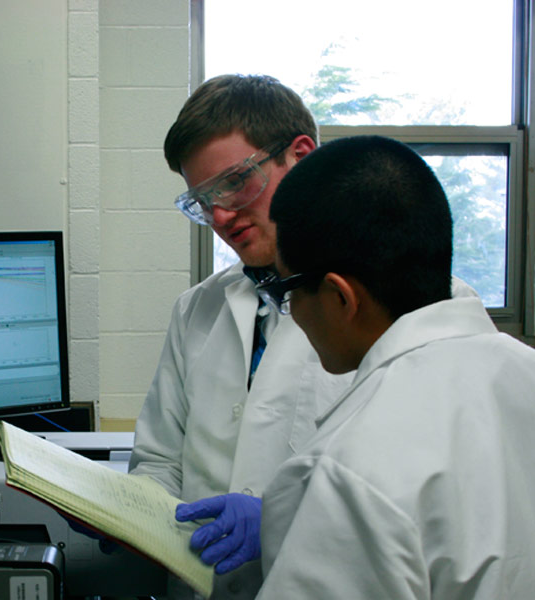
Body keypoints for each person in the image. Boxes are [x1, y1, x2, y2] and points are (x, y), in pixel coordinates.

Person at [129, 75, 476, 598]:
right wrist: (125, 511)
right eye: (201, 200)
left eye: (236, 181)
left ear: (301, 156)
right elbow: (158, 460)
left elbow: (450, 493)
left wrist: (280, 518)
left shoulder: (413, 301)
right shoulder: (196, 309)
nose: (221, 215)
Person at [221, 135, 535, 598]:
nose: (292, 312)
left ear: (340, 297)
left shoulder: (346, 471)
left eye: (286, 292)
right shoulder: (523, 369)